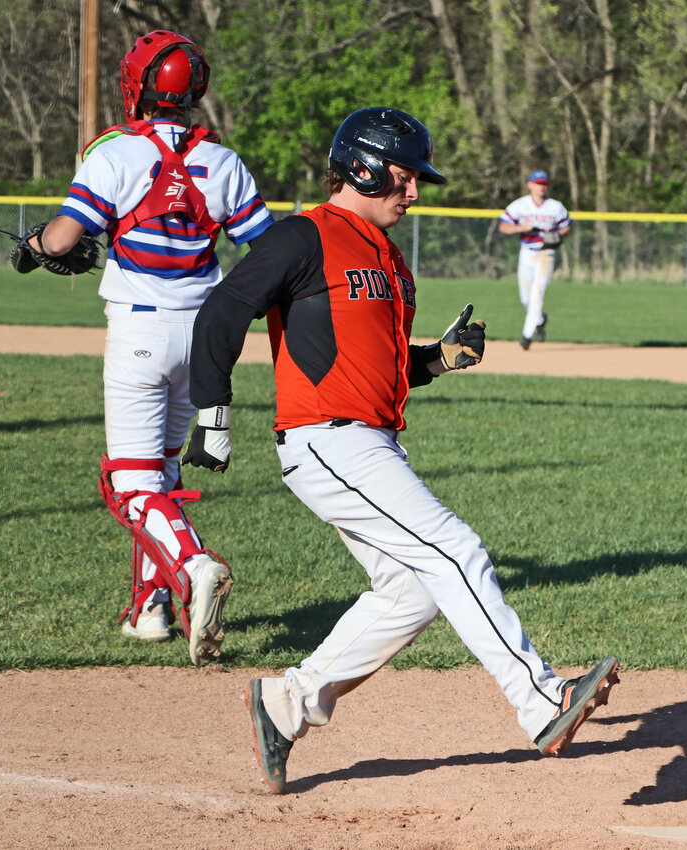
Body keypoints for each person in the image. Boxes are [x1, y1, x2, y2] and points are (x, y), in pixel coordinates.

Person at [182, 108, 618, 793]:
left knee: (411, 591)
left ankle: (285, 704)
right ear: (361, 166)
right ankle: (540, 701)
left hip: (370, 440)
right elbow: (221, 311)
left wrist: (437, 360)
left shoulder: (389, 257)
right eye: (403, 176)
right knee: (455, 548)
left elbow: (382, 362)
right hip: (325, 436)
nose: (413, 192)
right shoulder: (303, 236)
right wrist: (211, 411)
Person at [26, 29, 274, 664]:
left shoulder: (113, 154)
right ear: (196, 92)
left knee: (130, 486)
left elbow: (61, 240)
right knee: (161, 474)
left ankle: (191, 567)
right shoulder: (223, 162)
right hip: (203, 333)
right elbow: (267, 253)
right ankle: (151, 608)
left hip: (139, 329)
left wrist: (32, 248)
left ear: (135, 87)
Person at [498, 170, 571, 349]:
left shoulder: (555, 207)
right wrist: (521, 227)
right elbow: (503, 226)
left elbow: (566, 226)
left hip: (546, 254)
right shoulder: (520, 205)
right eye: (538, 183)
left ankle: (527, 335)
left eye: (544, 183)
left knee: (537, 294)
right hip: (527, 253)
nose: (541, 187)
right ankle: (540, 319)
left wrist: (558, 236)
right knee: (526, 298)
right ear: (530, 185)